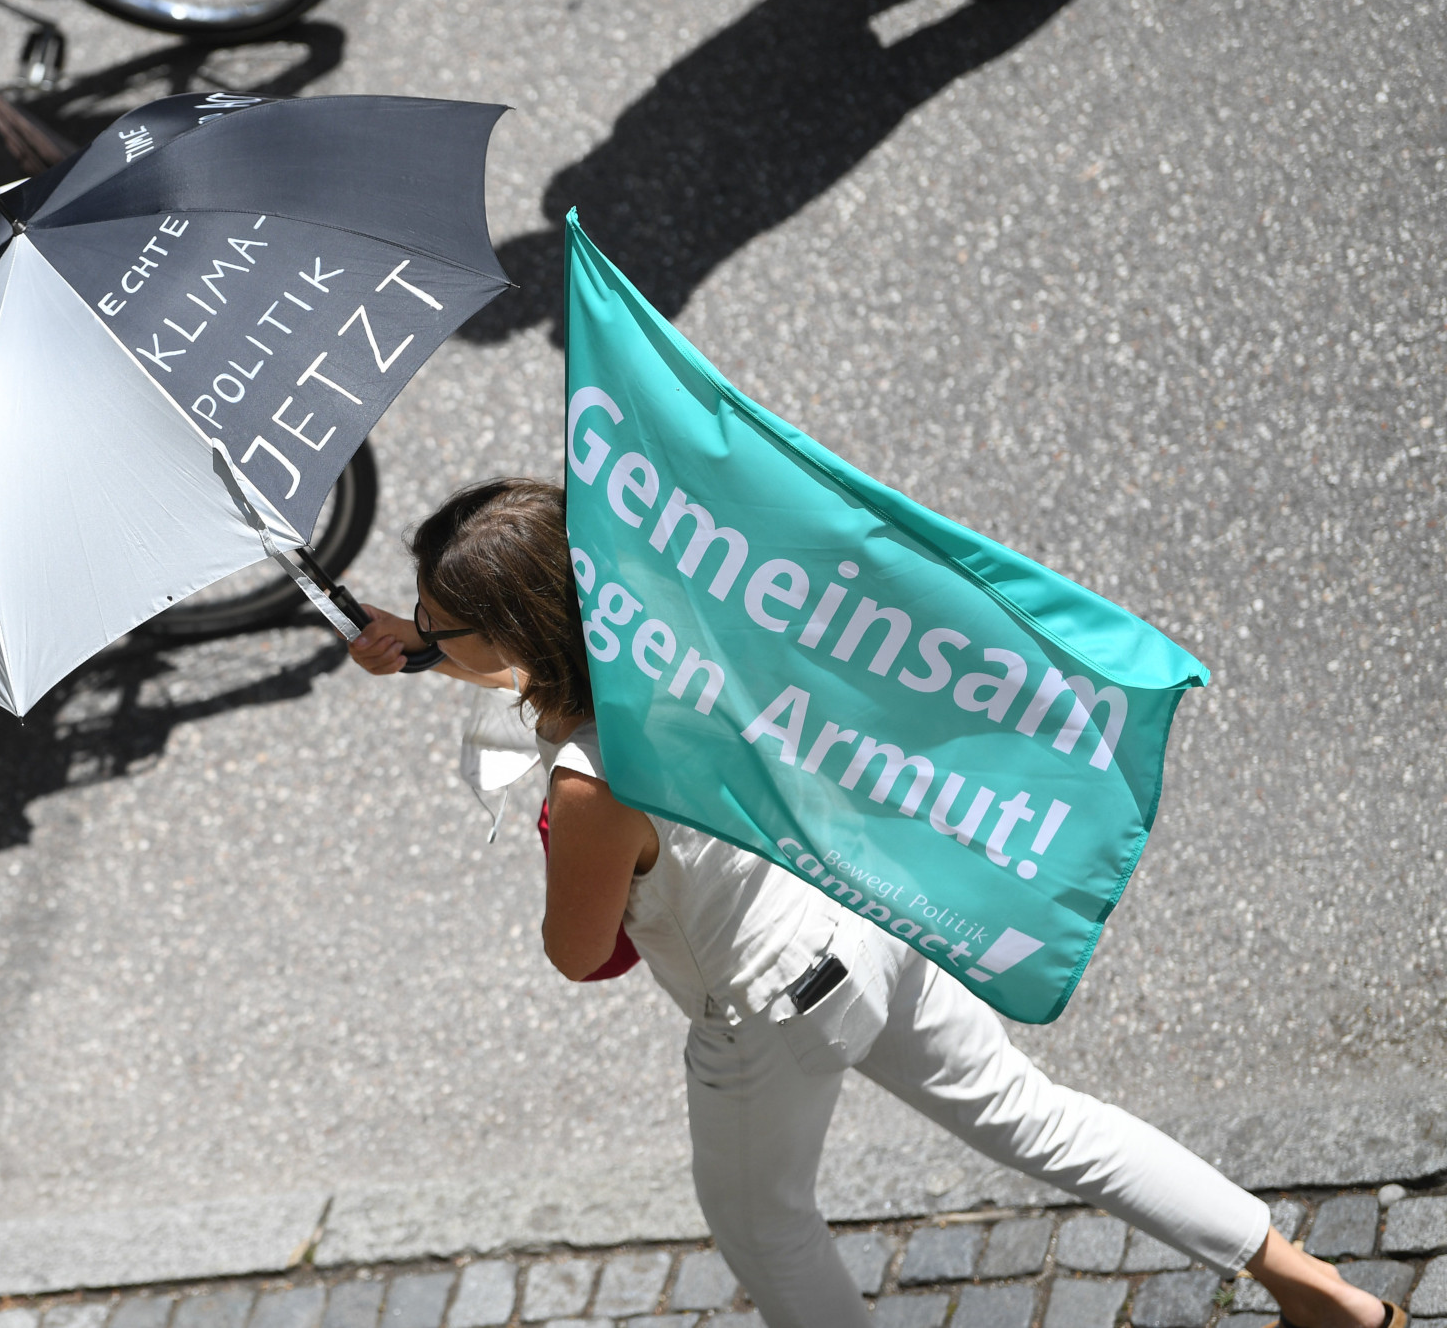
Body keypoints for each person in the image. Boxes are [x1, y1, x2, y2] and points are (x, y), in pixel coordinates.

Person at [345, 479, 1408, 1328]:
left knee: (766, 1232)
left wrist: (558, 835)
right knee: (1038, 1116)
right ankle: (1321, 1294)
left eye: (446, 629)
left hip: (768, 1012)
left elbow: (580, 954)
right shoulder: (687, 616)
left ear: (519, 634)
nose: (426, 640)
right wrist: (440, 649)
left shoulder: (590, 786)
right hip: (865, 919)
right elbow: (557, 669)